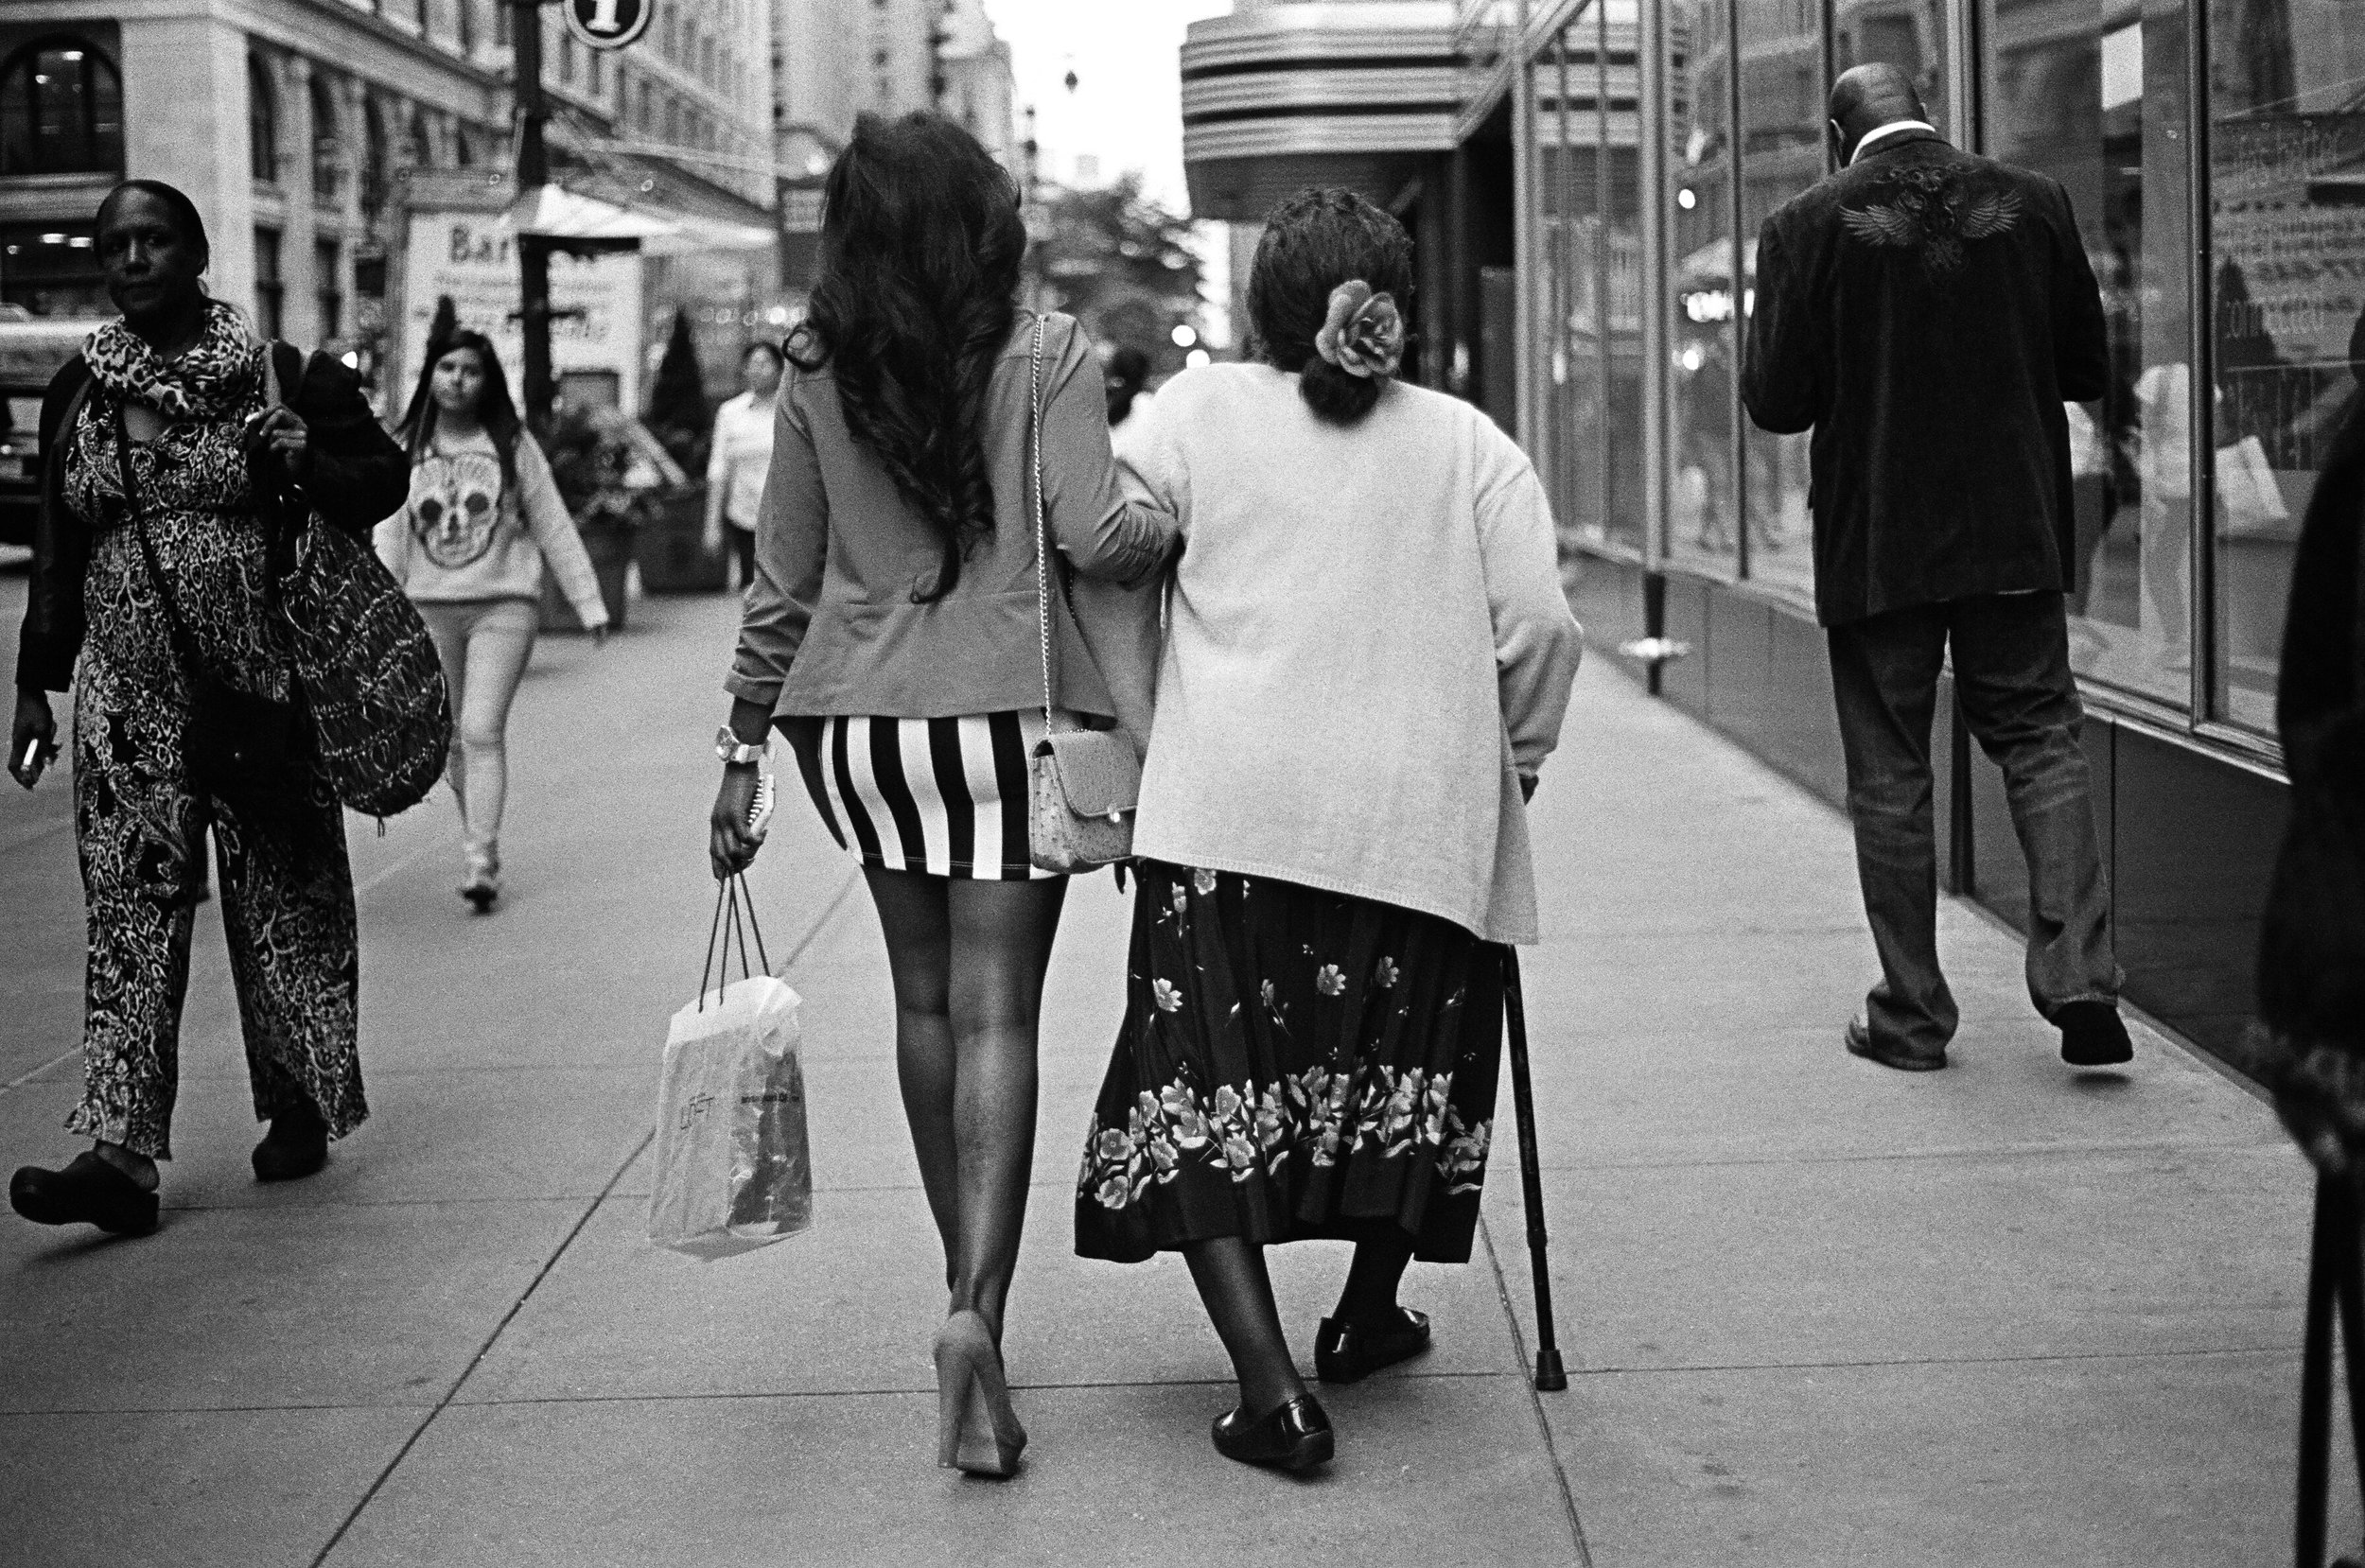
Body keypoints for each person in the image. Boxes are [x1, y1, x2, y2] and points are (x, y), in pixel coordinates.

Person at [1071, 188, 1585, 1472]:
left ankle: (1273, 1392)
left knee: (1202, 1089)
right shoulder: (1468, 443)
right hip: (1415, 818)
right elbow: (1542, 630)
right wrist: (1501, 769)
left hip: (1231, 812)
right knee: (1402, 1073)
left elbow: (1102, 552)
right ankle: (1363, 1308)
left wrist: (1150, 723)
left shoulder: (1190, 415)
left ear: (1264, 309)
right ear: (1392, 307)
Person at [705, 112, 1173, 1478]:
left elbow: (779, 583)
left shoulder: (811, 370)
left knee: (918, 1004)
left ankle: (963, 1300)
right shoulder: (1046, 355)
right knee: (996, 1015)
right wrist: (1169, 521)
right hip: (1003, 725)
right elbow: (1100, 531)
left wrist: (740, 753)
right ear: (987, 225)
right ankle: (979, 1302)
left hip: (859, 732)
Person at [6, 179, 408, 1235]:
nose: (132, 259)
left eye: (153, 240)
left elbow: (382, 478)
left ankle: (299, 1099)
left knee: (284, 892)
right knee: (130, 909)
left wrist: (303, 457)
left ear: (196, 255)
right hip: (127, 697)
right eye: (115, 245)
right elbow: (59, 544)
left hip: (261, 684)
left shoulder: (281, 373)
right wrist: (34, 680)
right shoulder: (78, 390)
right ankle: (121, 1153)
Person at [1741, 63, 2132, 1072]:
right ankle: (2080, 977)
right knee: (2041, 736)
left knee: (1890, 775)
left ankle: (1913, 1017)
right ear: (1930, 116)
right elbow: (2087, 368)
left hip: (1881, 540)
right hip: (2011, 530)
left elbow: (1775, 401)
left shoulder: (1803, 225)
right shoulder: (2032, 204)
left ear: (1839, 138)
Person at [378, 328, 609, 912]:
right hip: (429, 607)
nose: (457, 379)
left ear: (488, 381)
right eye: (446, 367)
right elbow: (390, 530)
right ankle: (478, 842)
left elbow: (551, 519)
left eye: (470, 370)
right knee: (452, 735)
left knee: (481, 728)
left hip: (504, 605)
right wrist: (382, 608)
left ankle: (480, 856)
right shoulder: (408, 445)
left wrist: (588, 601)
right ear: (429, 374)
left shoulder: (511, 444)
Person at [703, 339, 783, 588]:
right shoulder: (730, 412)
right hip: (744, 513)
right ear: (744, 369)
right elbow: (718, 469)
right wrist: (712, 524)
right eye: (752, 363)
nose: (758, 369)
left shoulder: (790, 410)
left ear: (780, 369)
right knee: (751, 587)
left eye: (766, 363)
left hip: (784, 515)